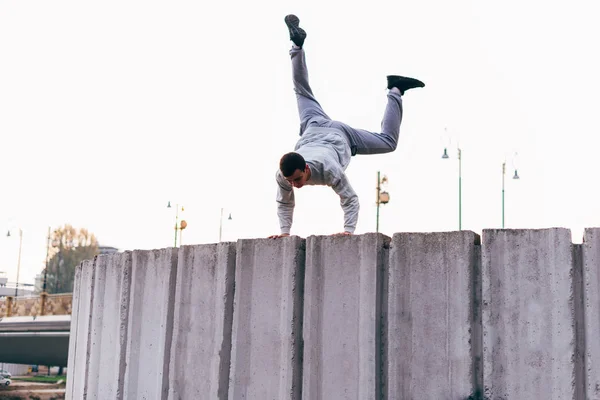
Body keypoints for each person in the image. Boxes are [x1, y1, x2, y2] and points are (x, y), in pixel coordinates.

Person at [269, 14, 424, 239]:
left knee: (389, 142)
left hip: (341, 136)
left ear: (306, 169)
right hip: (313, 127)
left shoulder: (330, 169)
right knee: (300, 90)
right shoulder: (283, 175)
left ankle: (396, 90)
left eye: (297, 179)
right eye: (291, 181)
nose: (294, 185)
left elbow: (349, 198)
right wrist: (284, 233)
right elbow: (284, 203)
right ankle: (297, 44)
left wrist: (348, 230)